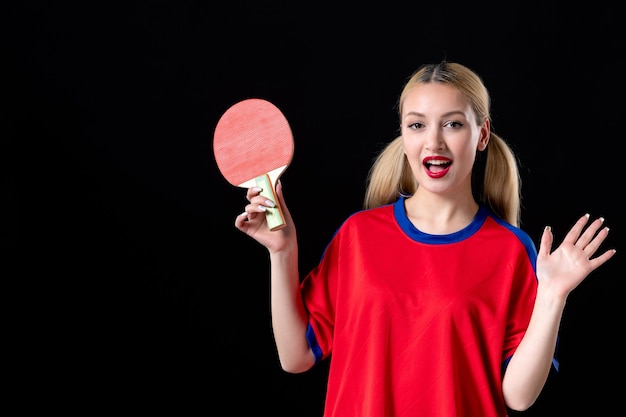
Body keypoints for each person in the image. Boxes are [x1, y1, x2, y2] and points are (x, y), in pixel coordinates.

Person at [233, 61, 616, 417]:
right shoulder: (359, 236)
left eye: (452, 124)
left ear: (481, 135)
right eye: (417, 125)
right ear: (403, 134)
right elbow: (295, 355)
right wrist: (283, 252)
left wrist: (553, 296)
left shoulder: (511, 250)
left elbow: (517, 396)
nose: (434, 142)